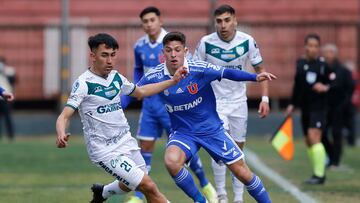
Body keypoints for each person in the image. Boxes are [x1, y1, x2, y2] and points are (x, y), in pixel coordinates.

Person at [139, 31, 274, 203]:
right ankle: (200, 200)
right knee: (171, 161)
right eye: (169, 50)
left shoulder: (199, 69)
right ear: (163, 53)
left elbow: (227, 73)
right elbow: (135, 91)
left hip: (211, 130)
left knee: (243, 173)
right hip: (183, 133)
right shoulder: (154, 75)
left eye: (177, 50)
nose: (173, 54)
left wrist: (255, 77)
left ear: (185, 51)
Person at [56, 33, 188, 203]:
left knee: (137, 182)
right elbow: (64, 115)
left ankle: (103, 192)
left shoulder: (116, 77)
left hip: (126, 141)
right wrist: (61, 133)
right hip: (104, 150)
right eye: (104, 55)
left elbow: (141, 92)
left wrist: (172, 81)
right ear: (93, 56)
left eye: (113, 55)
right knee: (148, 186)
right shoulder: (84, 83)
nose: (110, 60)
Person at [123, 6, 217, 203]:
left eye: (152, 20)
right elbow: (138, 70)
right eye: (145, 21)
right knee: (145, 147)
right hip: (149, 105)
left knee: (183, 150)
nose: (149, 24)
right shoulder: (139, 46)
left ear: (160, 21)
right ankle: (140, 195)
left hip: (171, 105)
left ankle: (205, 184)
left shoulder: (171, 44)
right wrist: (137, 90)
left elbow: (188, 71)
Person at [193, 5, 270, 203]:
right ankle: (221, 195)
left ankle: (238, 197)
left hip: (239, 103)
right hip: (215, 104)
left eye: (227, 20)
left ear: (234, 20)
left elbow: (261, 70)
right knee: (220, 148)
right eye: (219, 21)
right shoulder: (205, 43)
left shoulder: (247, 41)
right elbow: (195, 73)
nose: (223, 25)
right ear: (214, 23)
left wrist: (265, 99)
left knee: (237, 150)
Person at [286, 34, 334, 184]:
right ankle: (315, 172)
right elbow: (297, 85)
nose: (313, 49)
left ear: (318, 48)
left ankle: (320, 176)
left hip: (319, 108)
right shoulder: (300, 63)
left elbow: (336, 83)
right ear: (305, 46)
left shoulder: (323, 65)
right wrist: (292, 103)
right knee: (308, 141)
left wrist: (326, 87)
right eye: (310, 45)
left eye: (316, 46)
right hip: (305, 108)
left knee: (314, 137)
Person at [321, 44, 355, 168]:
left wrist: (344, 103)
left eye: (330, 52)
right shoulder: (321, 69)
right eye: (325, 52)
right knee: (322, 133)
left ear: (335, 54)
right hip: (324, 107)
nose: (327, 55)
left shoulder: (343, 71)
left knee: (337, 133)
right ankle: (330, 155)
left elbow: (350, 87)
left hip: (339, 107)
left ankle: (335, 161)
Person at [0, 57, 16, 141]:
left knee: (7, 117)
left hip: (5, 98)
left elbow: (14, 80)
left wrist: (2, 92)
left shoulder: (8, 71)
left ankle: (10, 135)